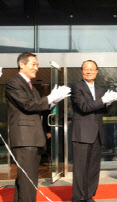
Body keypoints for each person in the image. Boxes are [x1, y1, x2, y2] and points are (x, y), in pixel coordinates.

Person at [5, 52, 70, 202]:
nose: (36, 68)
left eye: (37, 65)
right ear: (22, 64)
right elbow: (28, 105)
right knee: (27, 181)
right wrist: (49, 98)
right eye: (33, 64)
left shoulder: (32, 88)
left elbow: (38, 108)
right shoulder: (13, 83)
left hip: (33, 137)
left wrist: (53, 102)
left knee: (27, 180)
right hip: (24, 138)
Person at [71, 60, 117, 202]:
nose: (89, 71)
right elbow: (84, 107)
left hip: (97, 134)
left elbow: (103, 110)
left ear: (97, 71)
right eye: (86, 68)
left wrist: (109, 102)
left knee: (93, 169)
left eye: (92, 69)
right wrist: (103, 100)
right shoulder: (76, 87)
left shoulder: (99, 89)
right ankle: (79, 198)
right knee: (81, 170)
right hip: (82, 134)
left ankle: (89, 196)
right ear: (81, 71)